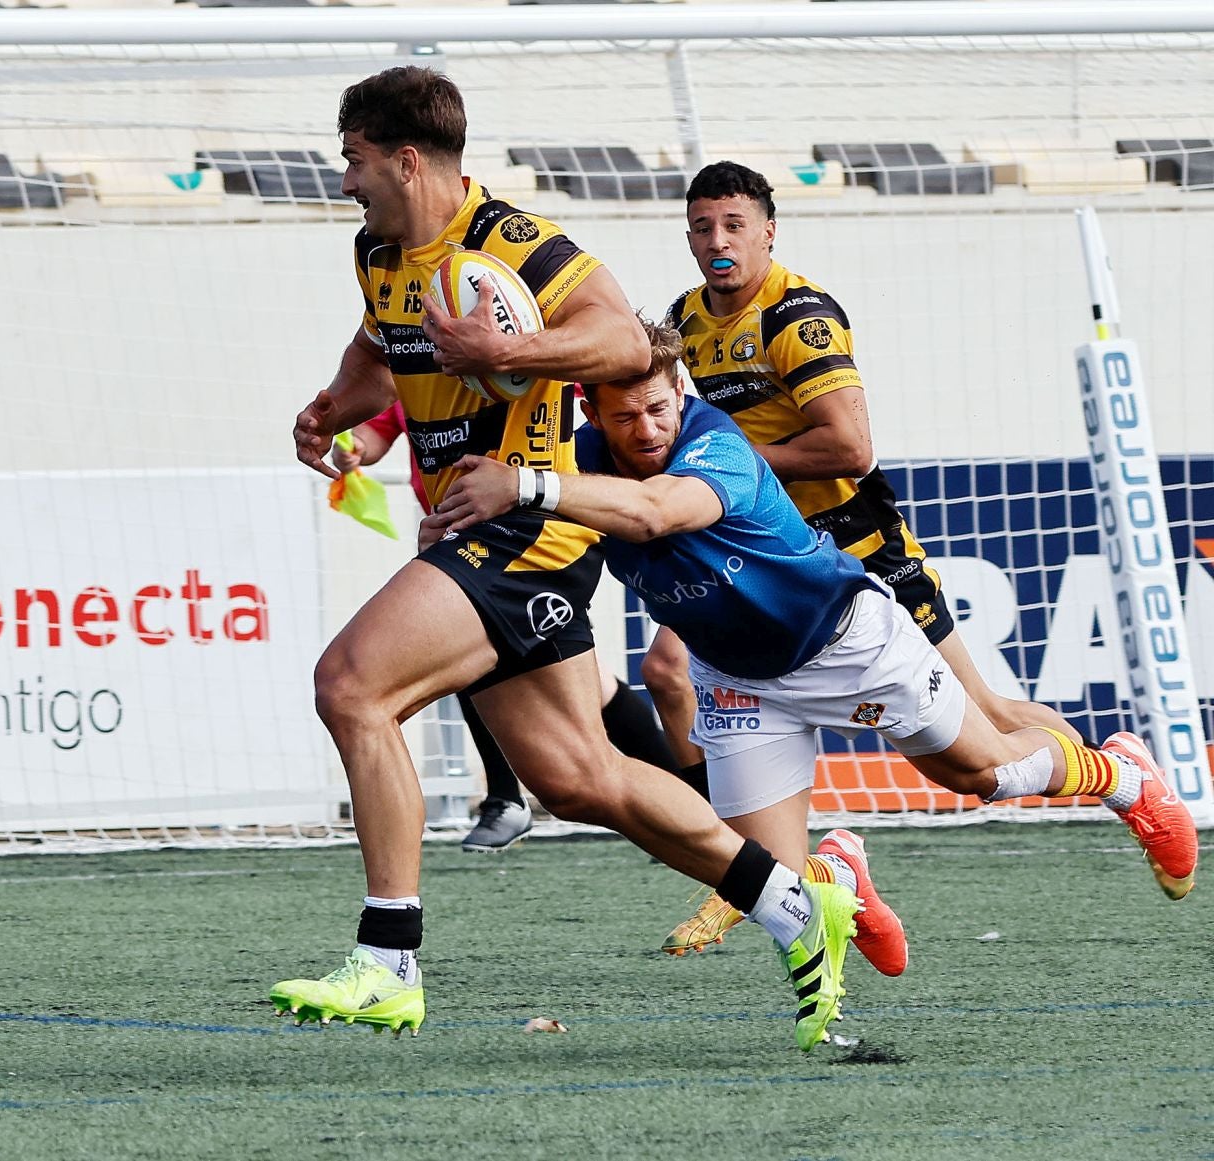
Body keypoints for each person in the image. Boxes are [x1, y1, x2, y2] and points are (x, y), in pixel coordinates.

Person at [272, 66, 860, 1053]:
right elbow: (382, 345)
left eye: (357, 161)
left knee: (351, 686)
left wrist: (511, 350)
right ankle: (798, 909)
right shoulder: (380, 249)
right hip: (473, 532)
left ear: (406, 159)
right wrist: (349, 415)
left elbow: (627, 341)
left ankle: (389, 960)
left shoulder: (512, 243)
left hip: (523, 531)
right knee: (578, 778)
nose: (347, 181)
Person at [428, 320, 1198, 984]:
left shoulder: (714, 446)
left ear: (682, 397)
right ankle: (843, 876)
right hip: (737, 678)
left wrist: (526, 486)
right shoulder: (578, 456)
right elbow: (536, 532)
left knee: (984, 772)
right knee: (762, 875)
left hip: (845, 641)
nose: (647, 429)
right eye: (626, 415)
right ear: (594, 409)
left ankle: (1119, 772)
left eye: (659, 408)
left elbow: (657, 514)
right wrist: (460, 528)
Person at [646, 160, 1114, 953]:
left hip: (854, 547)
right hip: (762, 554)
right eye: (701, 226)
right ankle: (740, 865)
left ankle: (1119, 779)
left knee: (988, 724)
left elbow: (851, 446)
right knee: (667, 672)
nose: (717, 242)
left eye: (733, 225)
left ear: (768, 230)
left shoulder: (798, 317)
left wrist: (733, 468)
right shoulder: (685, 319)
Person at [333, 402, 680, 852]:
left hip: (534, 542)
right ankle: (697, 812)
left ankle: (699, 813)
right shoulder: (412, 377)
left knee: (587, 757)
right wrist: (352, 448)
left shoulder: (516, 362)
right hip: (462, 543)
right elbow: (374, 436)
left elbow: (591, 388)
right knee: (582, 726)